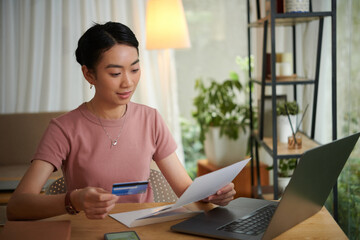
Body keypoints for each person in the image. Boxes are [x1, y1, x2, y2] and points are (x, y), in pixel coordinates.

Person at [7, 22, 236, 220]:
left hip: (142, 230)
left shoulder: (150, 119)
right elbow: (17, 206)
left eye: (134, 69)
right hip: (88, 231)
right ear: (89, 74)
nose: (128, 82)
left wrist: (213, 194)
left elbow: (185, 190)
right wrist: (73, 200)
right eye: (115, 74)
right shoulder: (64, 128)